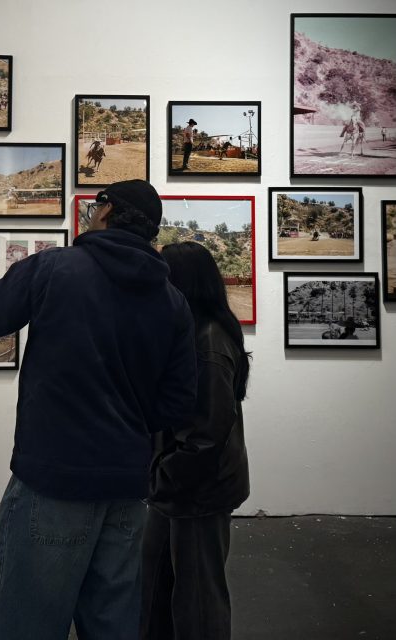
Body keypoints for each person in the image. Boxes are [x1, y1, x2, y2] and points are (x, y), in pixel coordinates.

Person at [0, 180, 198, 640]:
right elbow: (179, 402)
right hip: (127, 491)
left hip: (53, 484)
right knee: (114, 626)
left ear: (107, 210)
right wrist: (128, 426)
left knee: (22, 625)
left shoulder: (57, 268)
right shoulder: (172, 301)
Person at [140, 241, 251, 640]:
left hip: (198, 490)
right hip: (176, 487)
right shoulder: (193, 331)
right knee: (153, 586)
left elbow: (206, 435)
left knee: (199, 599)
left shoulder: (207, 342)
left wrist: (163, 476)